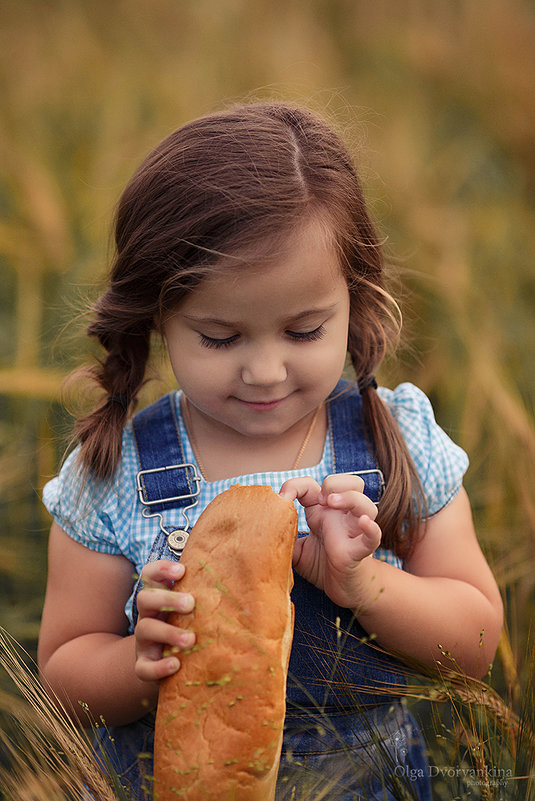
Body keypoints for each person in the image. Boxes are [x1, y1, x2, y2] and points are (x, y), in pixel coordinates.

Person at [38, 101, 503, 801]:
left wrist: (362, 583)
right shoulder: (116, 471)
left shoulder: (394, 443)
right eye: (220, 337)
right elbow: (64, 672)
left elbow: (473, 649)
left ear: (355, 298)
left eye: (304, 330)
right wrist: (139, 661)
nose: (263, 371)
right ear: (157, 318)